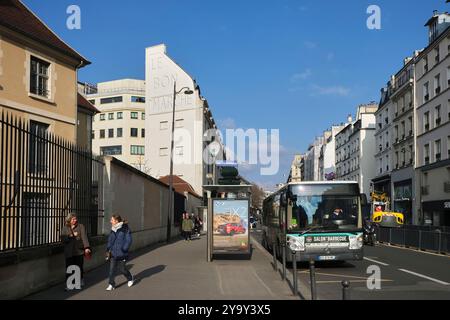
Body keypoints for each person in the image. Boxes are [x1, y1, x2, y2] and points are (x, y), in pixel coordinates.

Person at [61, 213, 91, 290]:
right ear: (69, 220)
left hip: (79, 251)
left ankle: (79, 281)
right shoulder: (65, 228)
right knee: (69, 268)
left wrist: (86, 247)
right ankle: (69, 285)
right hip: (69, 252)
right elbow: (63, 240)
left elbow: (84, 237)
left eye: (75, 218)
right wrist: (70, 236)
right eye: (73, 219)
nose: (75, 220)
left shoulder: (81, 226)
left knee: (78, 267)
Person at [106, 215, 134, 291]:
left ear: (116, 221)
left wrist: (124, 249)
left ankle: (130, 278)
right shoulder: (112, 229)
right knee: (111, 270)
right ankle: (111, 284)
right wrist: (108, 248)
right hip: (113, 253)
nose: (110, 221)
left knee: (122, 269)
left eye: (112, 220)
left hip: (122, 253)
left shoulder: (125, 228)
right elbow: (110, 240)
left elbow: (129, 240)